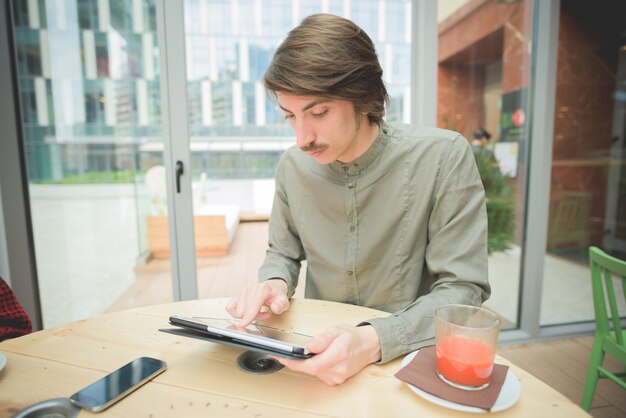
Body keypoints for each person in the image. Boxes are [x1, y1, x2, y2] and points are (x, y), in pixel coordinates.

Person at [226, 13, 490, 385]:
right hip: (314, 355)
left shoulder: (443, 156)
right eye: (290, 116)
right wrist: (274, 284)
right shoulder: (292, 167)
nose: (303, 138)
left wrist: (372, 340)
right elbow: (283, 253)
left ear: (364, 97)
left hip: (408, 360)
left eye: (318, 112)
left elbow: (463, 289)